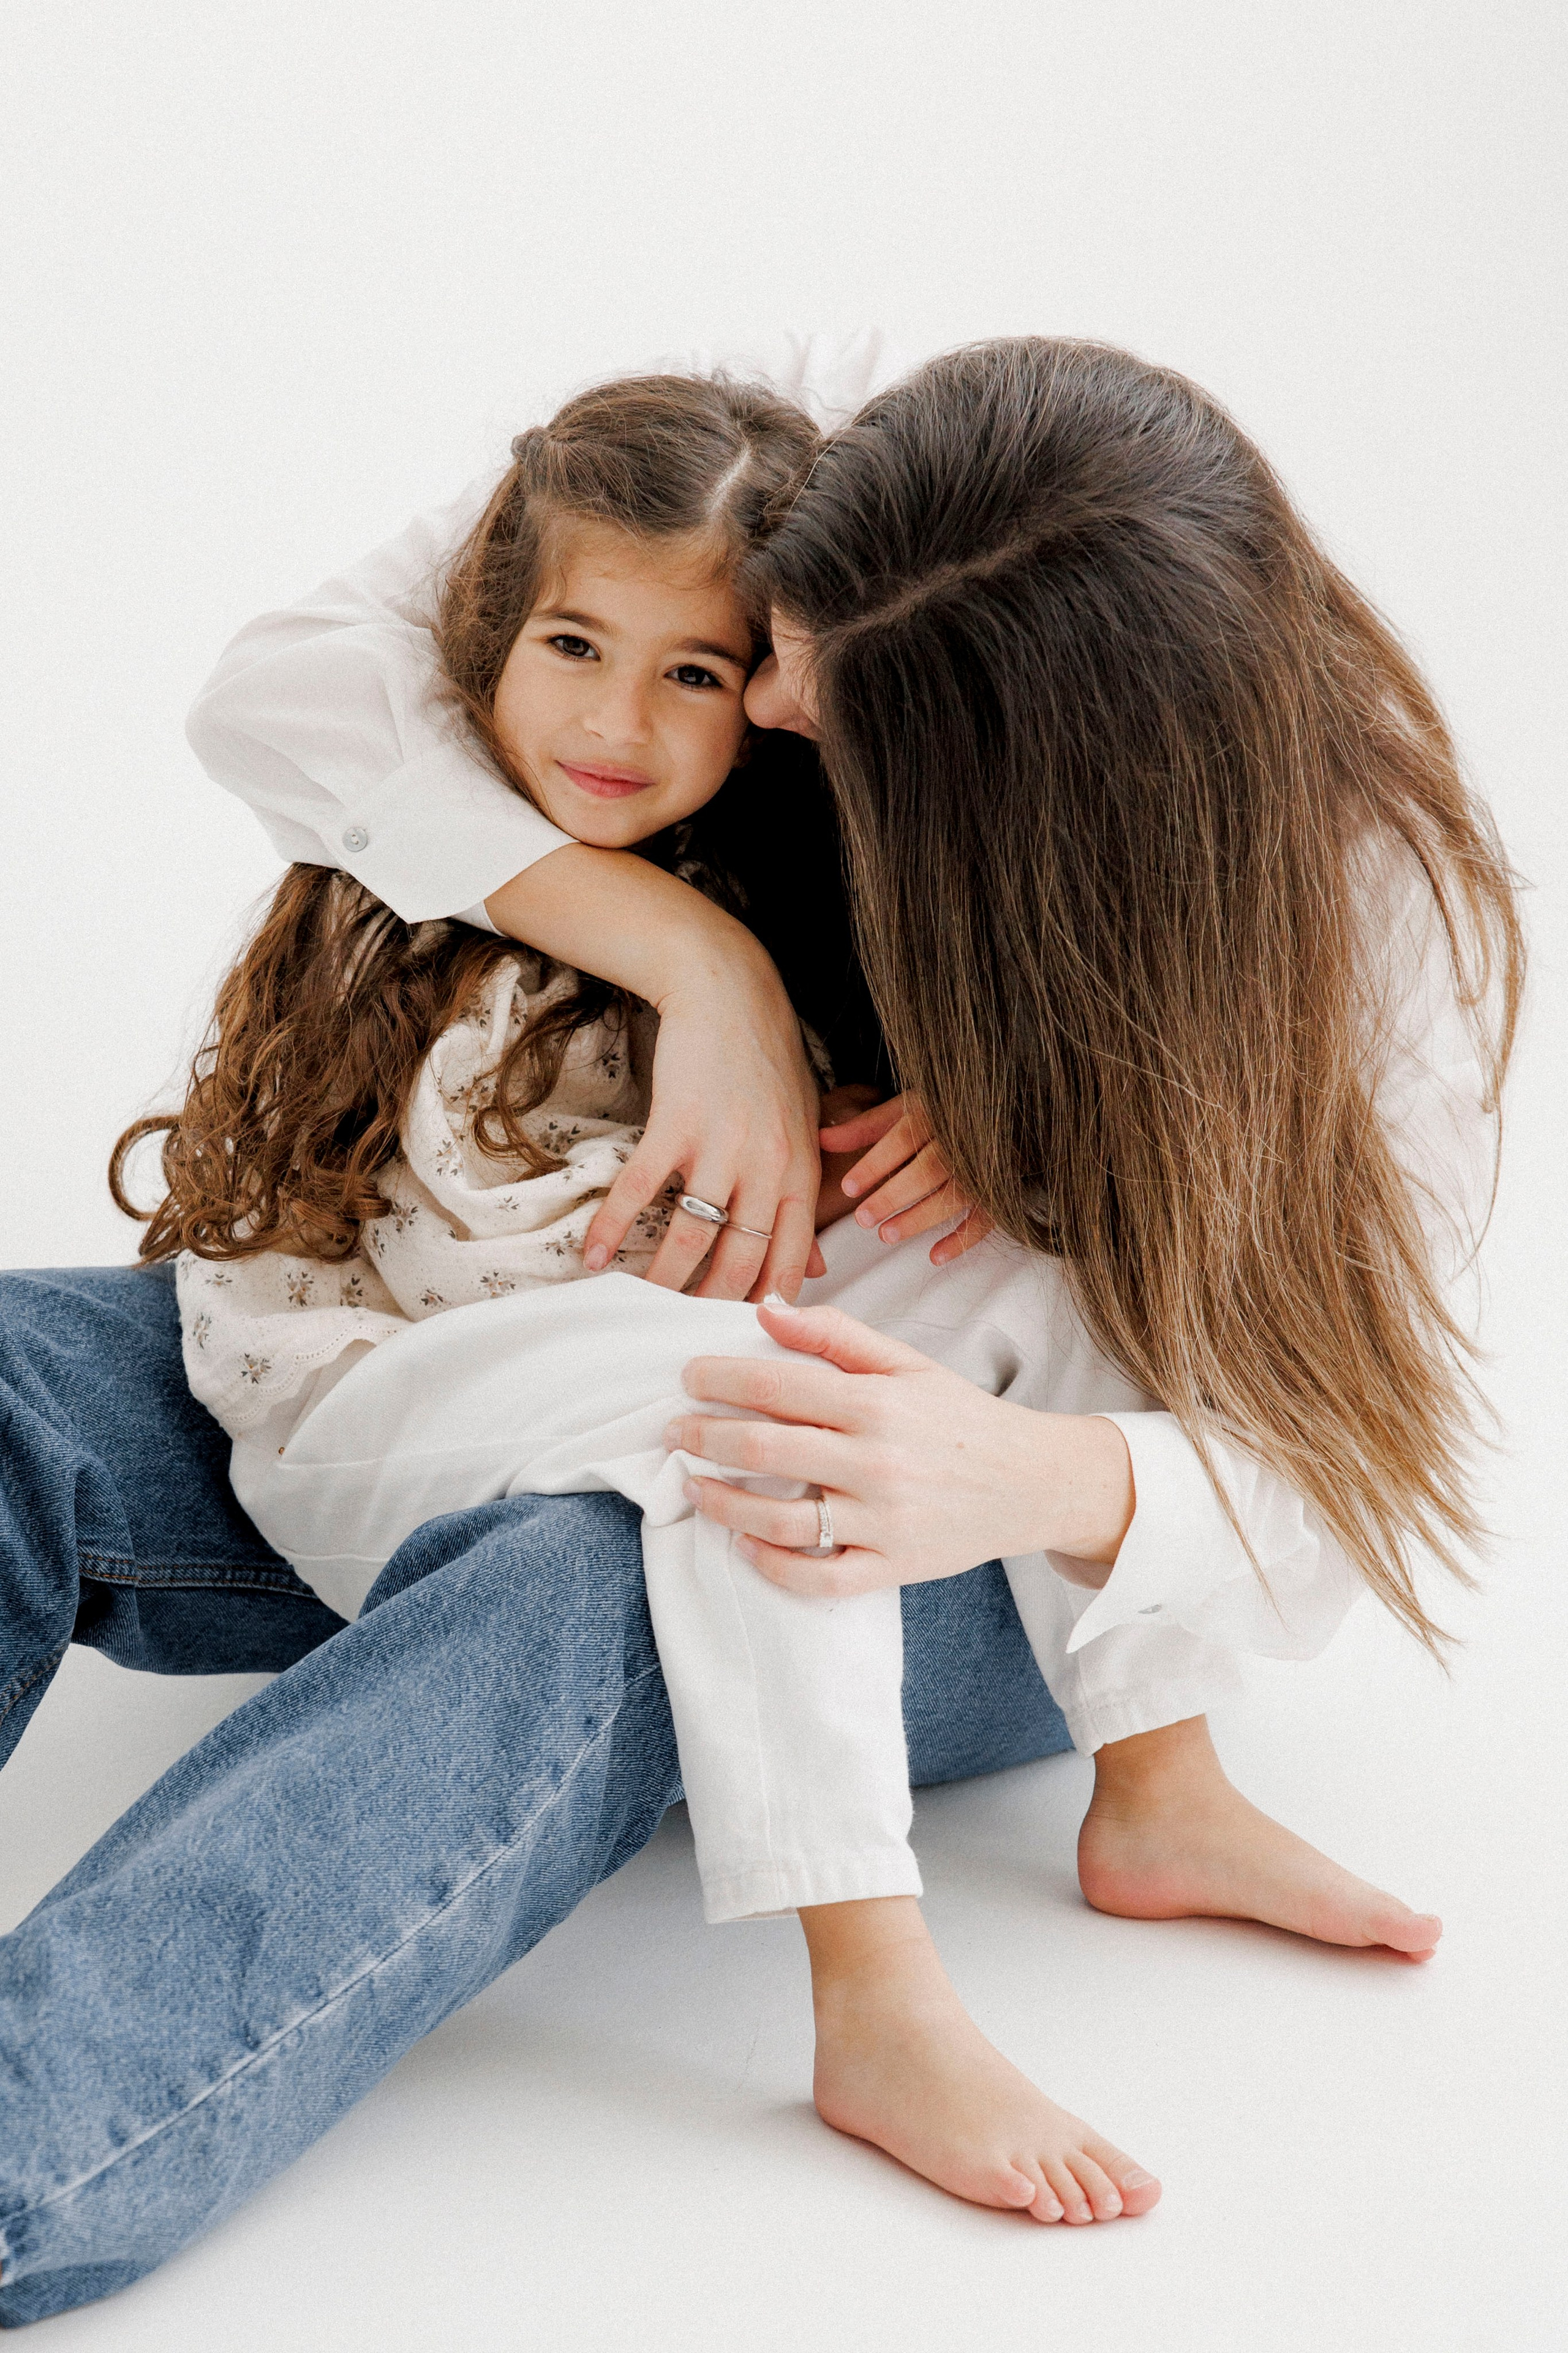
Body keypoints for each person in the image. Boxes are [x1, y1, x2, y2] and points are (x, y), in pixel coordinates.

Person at [0, 336, 1520, 2319]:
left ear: (1050, 790)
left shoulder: (1377, 933)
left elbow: (1343, 1470)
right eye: (775, 658)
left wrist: (1014, 1467)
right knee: (29, 1373)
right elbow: (302, 681)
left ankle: (31, 2156)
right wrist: (692, 957)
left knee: (644, 1530)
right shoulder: (881, 533)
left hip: (942, 1518)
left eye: (812, 704)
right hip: (512, 1339)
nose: (770, 704)